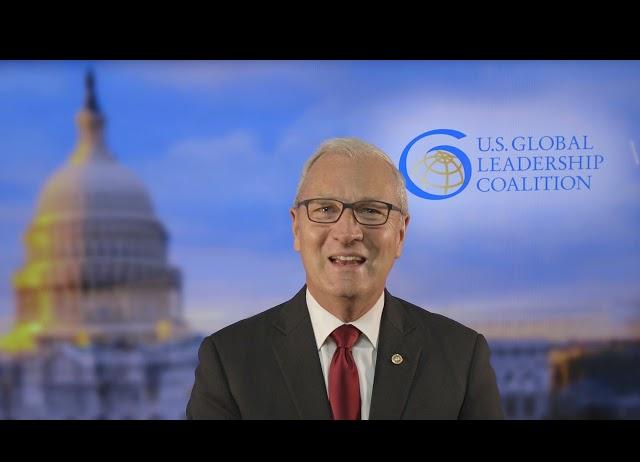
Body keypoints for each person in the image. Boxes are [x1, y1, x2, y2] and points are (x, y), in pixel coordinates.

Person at [187, 138, 504, 420]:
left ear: (401, 233)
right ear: (297, 229)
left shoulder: (461, 356)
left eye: (370, 211)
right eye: (325, 209)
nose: (348, 232)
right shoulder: (229, 360)